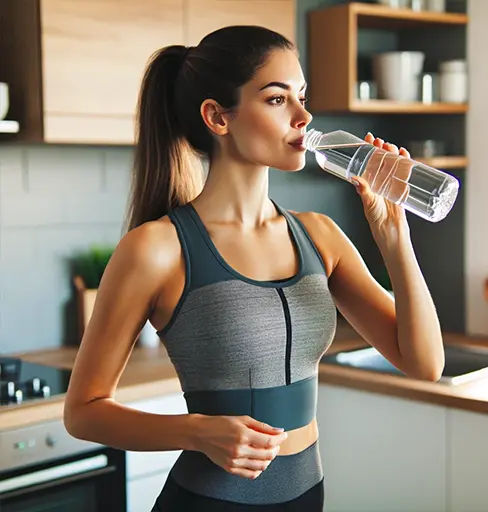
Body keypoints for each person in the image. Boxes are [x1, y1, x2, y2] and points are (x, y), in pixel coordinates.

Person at [63, 25, 445, 511]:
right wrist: (196, 431)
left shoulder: (320, 235)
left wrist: (395, 238)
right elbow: (83, 412)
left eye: (302, 96)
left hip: (308, 496)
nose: (304, 117)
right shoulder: (158, 249)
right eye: (277, 99)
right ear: (217, 117)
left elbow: (425, 363)